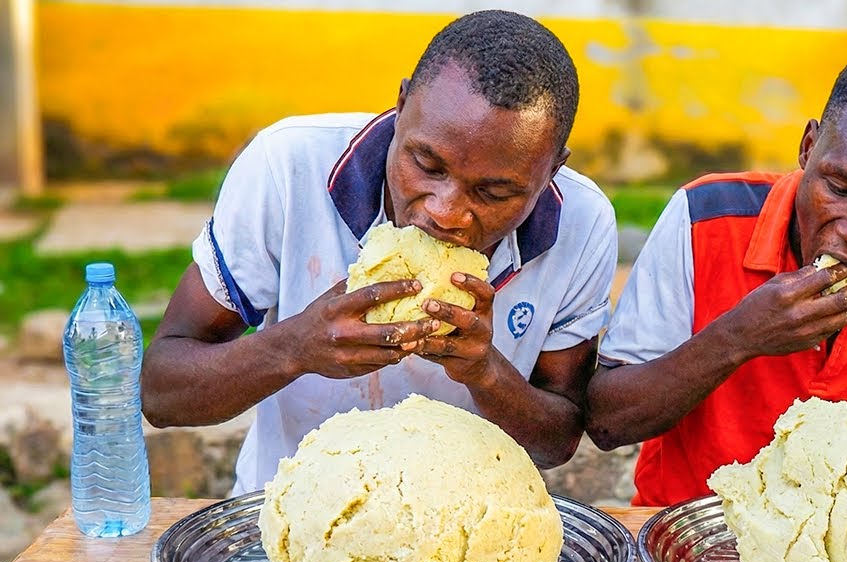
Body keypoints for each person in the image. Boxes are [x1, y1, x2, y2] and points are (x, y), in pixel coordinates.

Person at [141, 10, 618, 496]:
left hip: (469, 531)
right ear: (401, 105)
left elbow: (557, 441)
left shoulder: (582, 222)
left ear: (552, 168)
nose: (446, 212)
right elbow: (161, 393)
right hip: (289, 515)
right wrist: (295, 348)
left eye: (494, 193)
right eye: (426, 164)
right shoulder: (288, 167)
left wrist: (486, 373)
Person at [587, 43, 847, 507]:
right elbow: (608, 423)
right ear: (808, 148)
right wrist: (738, 337)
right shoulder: (704, 219)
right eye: (840, 189)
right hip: (687, 531)